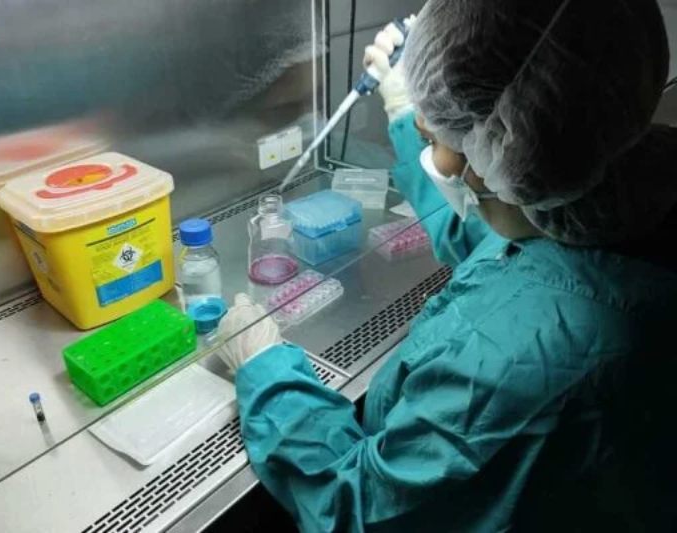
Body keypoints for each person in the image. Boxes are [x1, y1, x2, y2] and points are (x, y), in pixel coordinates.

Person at [218, 0, 677, 530]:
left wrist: (267, 372)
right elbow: (494, 237)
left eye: (432, 138)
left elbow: (358, 508)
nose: (427, 144)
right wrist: (403, 111)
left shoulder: (512, 368)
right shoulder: (609, 188)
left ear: (501, 157)